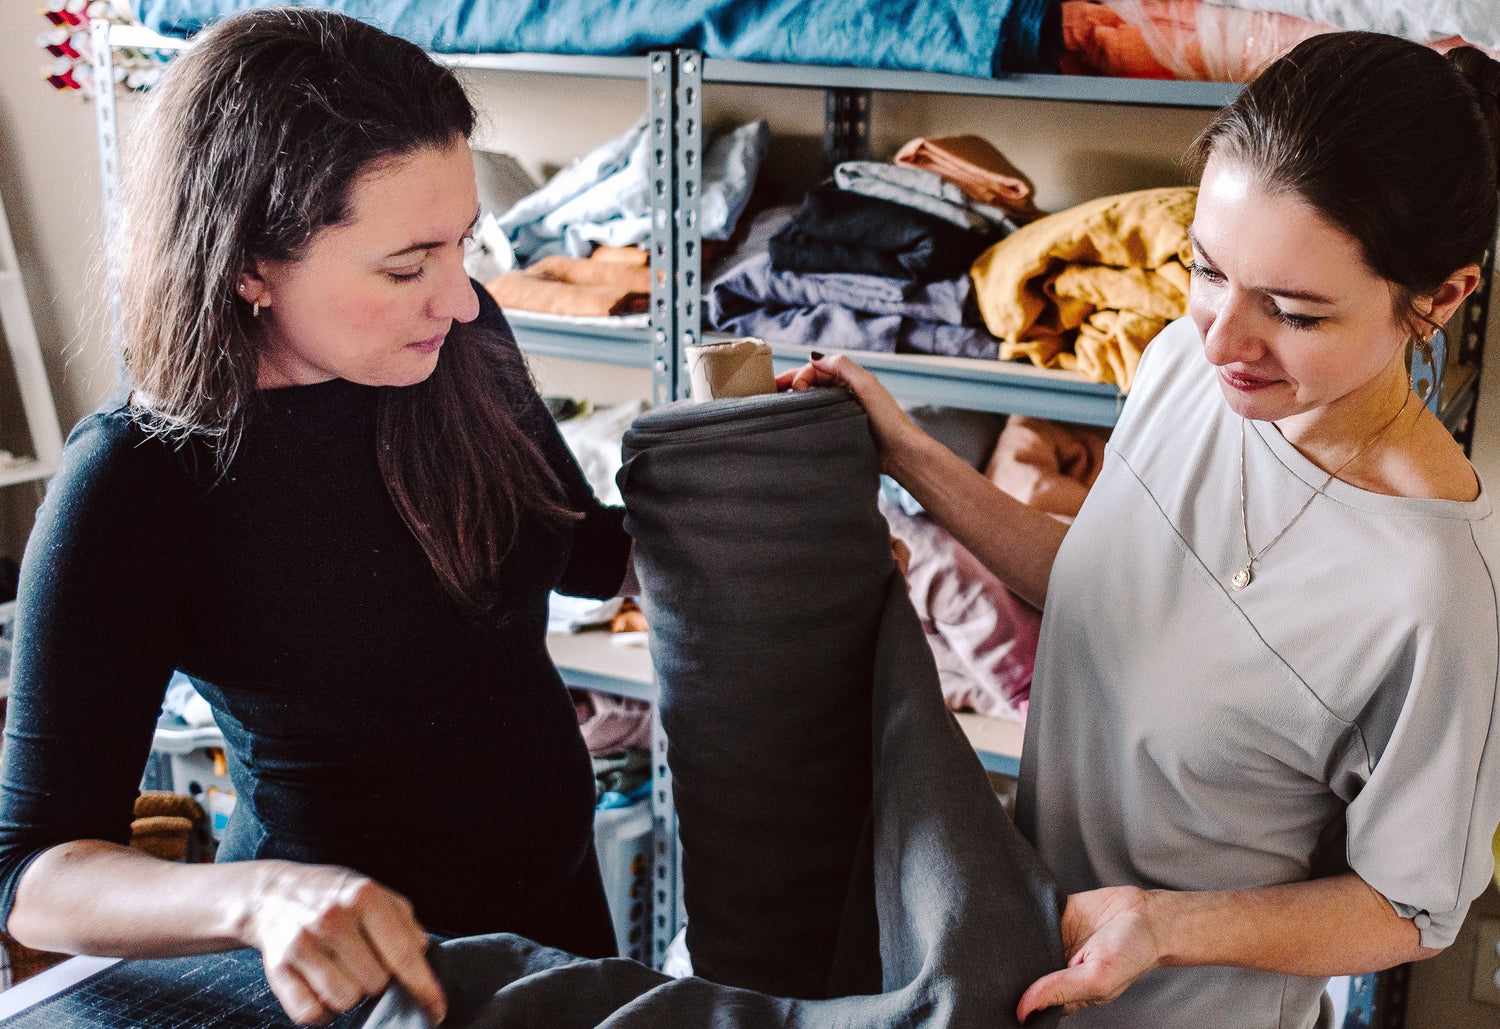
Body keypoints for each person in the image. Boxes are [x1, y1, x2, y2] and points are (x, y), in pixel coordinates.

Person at [782, 32, 1500, 1028]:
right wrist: (904, 451)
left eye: (1293, 312)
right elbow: (1107, 584)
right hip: (1021, 971)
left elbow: (1412, 906)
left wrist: (1165, 926)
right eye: (1207, 270)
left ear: (1442, 297)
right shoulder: (1183, 370)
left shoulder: (1432, 588)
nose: (1222, 337)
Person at [0, 8, 634, 1025]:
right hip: (348, 982)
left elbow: (581, 551)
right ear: (250, 264)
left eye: (461, 245)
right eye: (406, 265)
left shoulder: (456, 350)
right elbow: (34, 876)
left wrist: (756, 491)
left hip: (554, 928)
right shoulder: (138, 478)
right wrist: (261, 899)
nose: (461, 299)